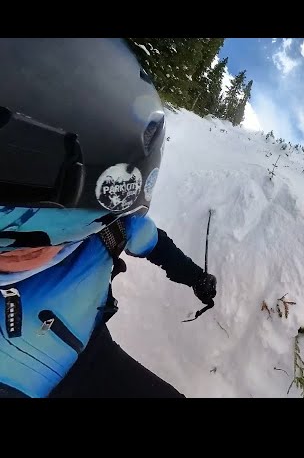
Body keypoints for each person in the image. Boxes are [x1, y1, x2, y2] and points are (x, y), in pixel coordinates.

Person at [0, 38, 217, 398]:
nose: (21, 254)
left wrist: (195, 277)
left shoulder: (105, 231)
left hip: (91, 358)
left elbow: (153, 243)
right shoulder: (100, 230)